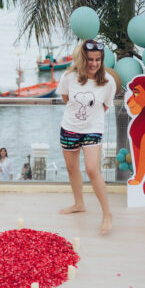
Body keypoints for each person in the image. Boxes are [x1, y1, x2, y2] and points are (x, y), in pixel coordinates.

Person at [57, 39, 116, 235]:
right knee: (72, 168)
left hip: (92, 130)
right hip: (69, 128)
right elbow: (67, 99)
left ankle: (107, 214)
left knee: (92, 169)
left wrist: (90, 119)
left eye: (98, 59)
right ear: (83, 59)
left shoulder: (108, 81)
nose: (94, 63)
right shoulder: (69, 77)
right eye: (90, 59)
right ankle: (79, 204)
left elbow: (105, 106)